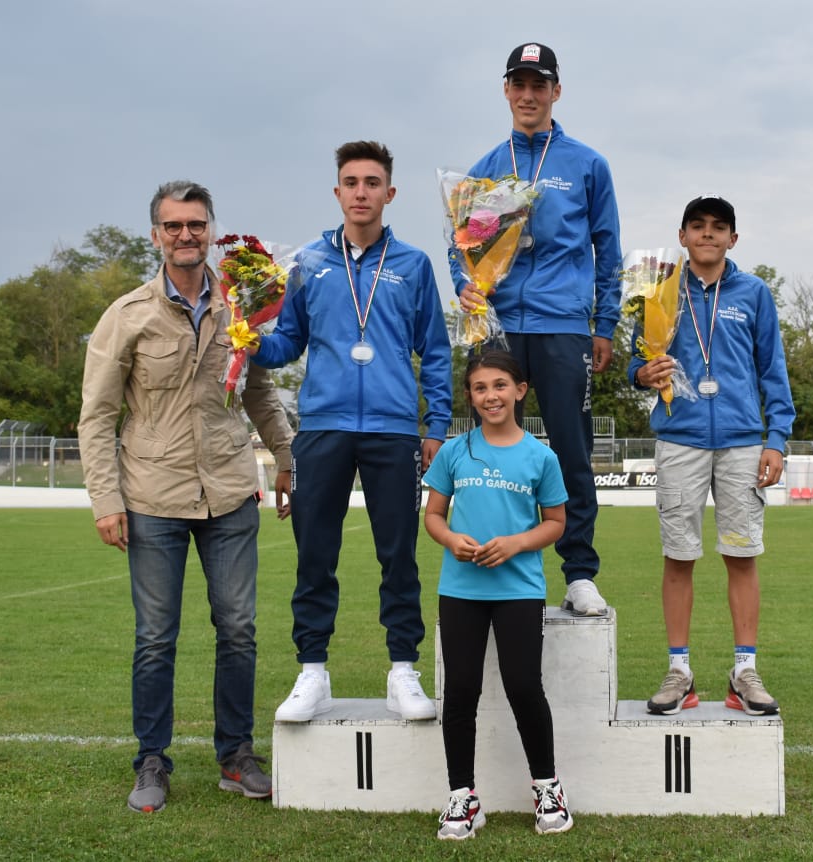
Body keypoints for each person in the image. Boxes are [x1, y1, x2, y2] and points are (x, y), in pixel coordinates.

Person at [78, 179, 295, 813]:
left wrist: (287, 458)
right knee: (155, 637)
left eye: (196, 224)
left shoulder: (242, 305)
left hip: (229, 491)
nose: (185, 235)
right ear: (156, 235)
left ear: (211, 231)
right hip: (151, 496)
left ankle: (237, 756)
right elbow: (97, 416)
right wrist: (105, 500)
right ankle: (152, 761)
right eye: (173, 225)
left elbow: (259, 393)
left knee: (239, 630)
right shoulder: (127, 315)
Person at [251, 141, 452, 723]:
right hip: (322, 427)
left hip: (393, 429)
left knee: (399, 556)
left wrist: (436, 424)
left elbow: (435, 350)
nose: (361, 192)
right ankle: (312, 671)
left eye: (372, 182)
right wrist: (249, 338)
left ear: (390, 193)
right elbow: (288, 342)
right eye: (351, 182)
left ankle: (403, 670)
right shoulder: (308, 263)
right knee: (315, 554)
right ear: (337, 192)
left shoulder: (413, 265)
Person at [451, 42, 622, 617]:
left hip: (563, 325)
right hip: (498, 327)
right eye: (519, 84)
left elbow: (607, 250)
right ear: (505, 90)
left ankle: (580, 573)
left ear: (556, 91)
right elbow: (461, 247)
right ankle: (501, 563)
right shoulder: (485, 169)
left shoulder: (587, 165)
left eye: (539, 84)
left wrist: (604, 323)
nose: (529, 95)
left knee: (572, 449)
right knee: (494, 451)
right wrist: (465, 283)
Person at [628, 195, 795, 717]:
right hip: (680, 438)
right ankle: (679, 671)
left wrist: (776, 438)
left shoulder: (754, 292)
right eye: (697, 226)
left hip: (743, 441)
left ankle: (744, 671)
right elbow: (637, 361)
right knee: (679, 557)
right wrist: (642, 374)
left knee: (741, 555)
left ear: (733, 239)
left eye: (718, 227)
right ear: (682, 236)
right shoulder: (658, 290)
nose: (707, 234)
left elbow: (772, 369)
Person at [423, 350, 574, 840]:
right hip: (460, 589)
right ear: (470, 396)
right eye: (480, 387)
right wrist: (451, 540)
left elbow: (556, 523)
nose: (491, 396)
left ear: (520, 390)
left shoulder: (540, 456)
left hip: (519, 589)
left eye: (500, 385)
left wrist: (515, 544)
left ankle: (548, 789)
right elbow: (433, 516)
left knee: (524, 687)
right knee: (460, 691)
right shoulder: (454, 451)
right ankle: (462, 797)